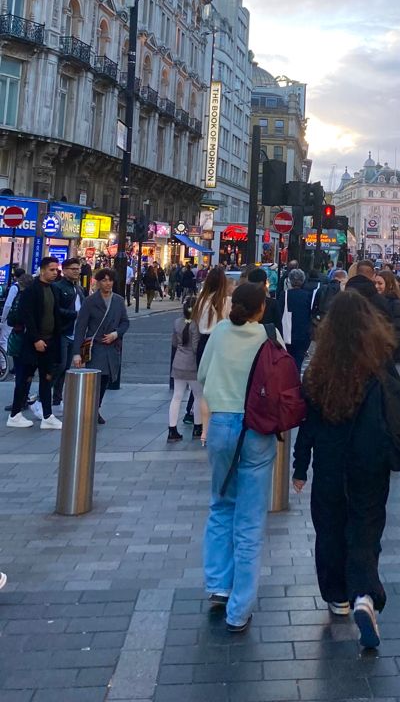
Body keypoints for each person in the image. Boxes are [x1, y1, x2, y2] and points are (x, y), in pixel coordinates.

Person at [293, 289, 398, 648]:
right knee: (366, 529)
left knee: (330, 527)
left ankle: (337, 594)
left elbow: (307, 423)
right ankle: (365, 594)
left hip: (328, 461)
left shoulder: (320, 368)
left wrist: (300, 465)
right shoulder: (378, 364)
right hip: (369, 462)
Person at [198, 281, 280, 632]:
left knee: (221, 505)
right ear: (260, 308)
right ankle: (239, 609)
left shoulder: (218, 332)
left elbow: (202, 374)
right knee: (249, 519)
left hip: (221, 424)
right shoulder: (267, 337)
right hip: (257, 427)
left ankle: (218, 585)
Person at [7, 257, 63, 430]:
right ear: (43, 270)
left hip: (49, 342)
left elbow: (55, 315)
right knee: (25, 379)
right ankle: (15, 414)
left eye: (56, 270)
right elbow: (27, 317)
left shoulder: (53, 289)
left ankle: (47, 415)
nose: (55, 273)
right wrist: (36, 338)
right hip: (33, 343)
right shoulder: (31, 291)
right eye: (52, 270)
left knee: (47, 378)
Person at [72, 269, 129, 423]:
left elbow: (125, 322)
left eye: (110, 280)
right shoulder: (90, 301)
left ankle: (96, 408)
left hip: (111, 346)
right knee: (94, 379)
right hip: (94, 346)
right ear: (98, 282)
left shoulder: (118, 300)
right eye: (104, 280)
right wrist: (77, 352)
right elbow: (81, 327)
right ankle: (90, 409)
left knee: (105, 380)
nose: (108, 283)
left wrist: (116, 334)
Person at [183, 265, 234, 426]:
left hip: (203, 343)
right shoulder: (227, 301)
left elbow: (196, 324)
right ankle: (214, 421)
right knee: (220, 385)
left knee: (204, 387)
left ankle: (201, 425)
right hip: (221, 342)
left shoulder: (201, 301)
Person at [52, 257, 85, 410]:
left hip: (75, 333)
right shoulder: (57, 287)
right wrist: (75, 314)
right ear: (64, 271)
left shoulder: (78, 288)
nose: (77, 272)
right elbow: (55, 309)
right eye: (73, 269)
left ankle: (57, 399)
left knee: (66, 367)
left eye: (78, 269)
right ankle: (43, 397)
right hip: (62, 332)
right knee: (59, 366)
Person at [168, 300, 203, 442]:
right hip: (192, 365)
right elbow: (195, 347)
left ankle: (172, 429)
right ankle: (197, 427)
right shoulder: (196, 325)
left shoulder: (177, 322)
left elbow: (174, 343)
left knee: (177, 396)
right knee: (198, 396)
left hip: (178, 362)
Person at [278, 267, 314, 370]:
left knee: (287, 361)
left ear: (289, 280)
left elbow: (280, 313)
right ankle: (296, 381)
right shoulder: (308, 296)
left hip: (287, 333)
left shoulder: (284, 295)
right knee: (298, 361)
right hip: (303, 333)